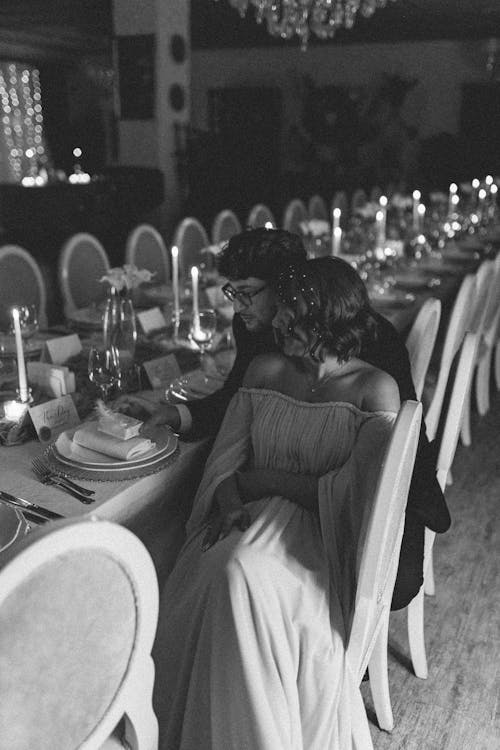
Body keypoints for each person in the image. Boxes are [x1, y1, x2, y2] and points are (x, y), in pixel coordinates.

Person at [118, 228, 450, 608]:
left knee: (391, 584)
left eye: (246, 292)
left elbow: (404, 437)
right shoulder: (253, 329)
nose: (237, 306)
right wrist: (176, 414)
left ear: (285, 288)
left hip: (378, 485)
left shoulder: (370, 338)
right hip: (287, 493)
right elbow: (236, 398)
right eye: (232, 292)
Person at [152, 257, 401, 749]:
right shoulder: (265, 369)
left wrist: (258, 480)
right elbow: (224, 461)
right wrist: (228, 491)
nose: (280, 321)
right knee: (222, 569)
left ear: (331, 320)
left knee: (239, 570)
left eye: (295, 313)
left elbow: (354, 496)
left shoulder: (375, 389)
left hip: (317, 538)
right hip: (240, 514)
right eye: (283, 309)